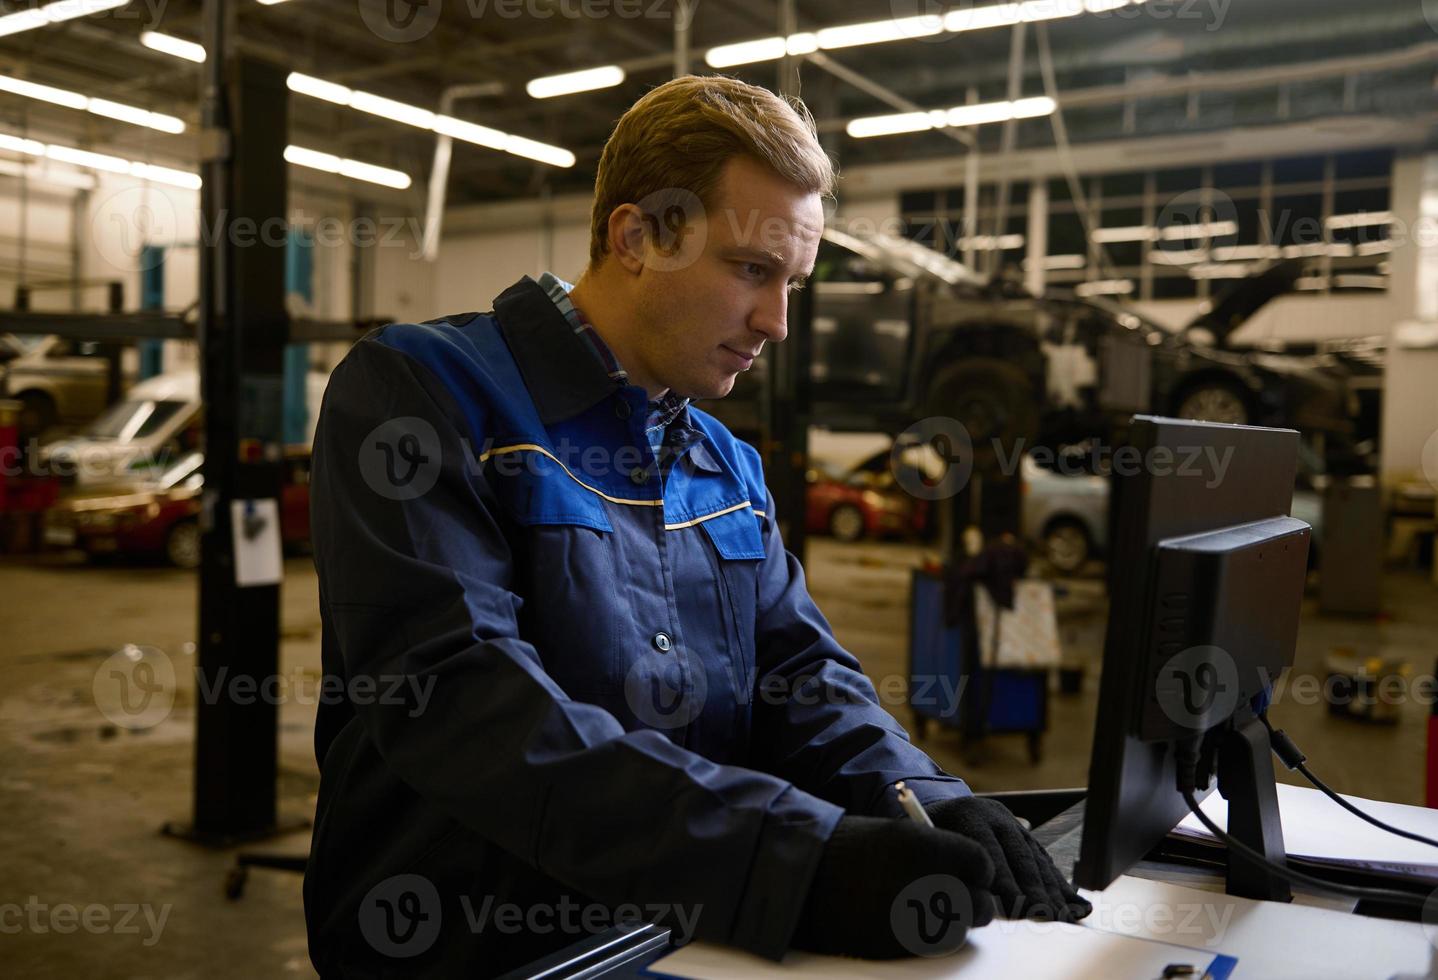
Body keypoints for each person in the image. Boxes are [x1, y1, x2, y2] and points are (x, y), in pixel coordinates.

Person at [304, 74, 1089, 977]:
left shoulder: (724, 462)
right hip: (479, 951)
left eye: (793, 282)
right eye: (752, 270)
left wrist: (916, 793)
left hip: (682, 941)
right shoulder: (423, 393)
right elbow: (464, 702)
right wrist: (795, 861)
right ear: (636, 237)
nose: (778, 322)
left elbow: (800, 674)